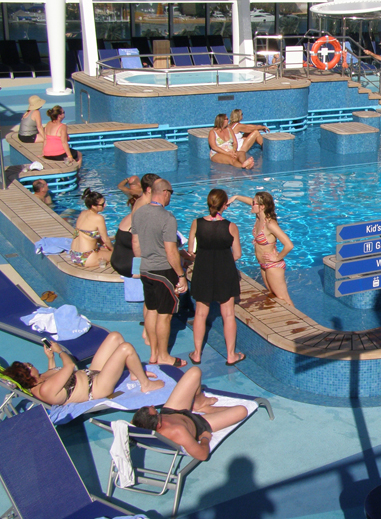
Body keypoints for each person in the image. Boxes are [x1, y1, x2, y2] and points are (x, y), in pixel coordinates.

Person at [3, 331, 164, 406]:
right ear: (27, 376)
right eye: (27, 367)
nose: (29, 364)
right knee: (126, 348)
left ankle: (135, 374)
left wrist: (50, 358)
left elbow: (55, 377)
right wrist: (59, 352)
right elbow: (69, 366)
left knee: (115, 337)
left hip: (92, 373)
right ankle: (145, 384)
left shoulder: (40, 381)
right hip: (97, 387)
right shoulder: (44, 390)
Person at [131, 367, 248, 461]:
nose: (153, 406)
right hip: (198, 424)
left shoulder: (142, 422)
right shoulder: (178, 432)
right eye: (155, 411)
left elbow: (132, 424)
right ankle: (209, 410)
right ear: (158, 424)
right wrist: (205, 438)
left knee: (194, 372)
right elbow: (202, 455)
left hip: (171, 412)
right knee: (242, 410)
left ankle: (200, 402)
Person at [132, 178, 188, 368]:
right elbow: (171, 251)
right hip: (164, 271)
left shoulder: (138, 213)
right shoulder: (167, 218)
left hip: (146, 270)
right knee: (165, 315)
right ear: (165, 192)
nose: (170, 197)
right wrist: (181, 275)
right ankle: (164, 356)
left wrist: (144, 262)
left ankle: (154, 354)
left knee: (152, 311)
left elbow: (136, 245)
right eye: (171, 193)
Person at [186, 189, 245, 366]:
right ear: (224, 204)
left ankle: (197, 353)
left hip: (203, 271)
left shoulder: (196, 223)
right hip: (225, 271)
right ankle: (230, 355)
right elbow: (238, 254)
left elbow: (191, 250)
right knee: (228, 314)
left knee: (200, 314)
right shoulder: (230, 226)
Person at [228, 191, 294, 306]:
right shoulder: (259, 217)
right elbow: (249, 201)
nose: (251, 204)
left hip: (273, 266)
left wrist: (277, 257)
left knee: (284, 299)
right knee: (274, 297)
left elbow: (289, 244)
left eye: (254, 203)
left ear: (262, 206)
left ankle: (298, 322)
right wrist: (236, 197)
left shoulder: (270, 224)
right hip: (263, 265)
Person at [110, 173, 159, 278]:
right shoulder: (145, 210)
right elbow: (136, 243)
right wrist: (141, 269)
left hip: (118, 259)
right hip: (128, 266)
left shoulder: (139, 201)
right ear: (150, 190)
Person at [69, 189, 113, 269]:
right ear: (93, 206)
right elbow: (106, 239)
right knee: (117, 254)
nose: (105, 205)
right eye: (102, 204)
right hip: (87, 258)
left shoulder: (83, 213)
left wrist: (103, 244)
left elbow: (90, 235)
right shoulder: (98, 218)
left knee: (106, 250)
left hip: (74, 255)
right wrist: (113, 250)